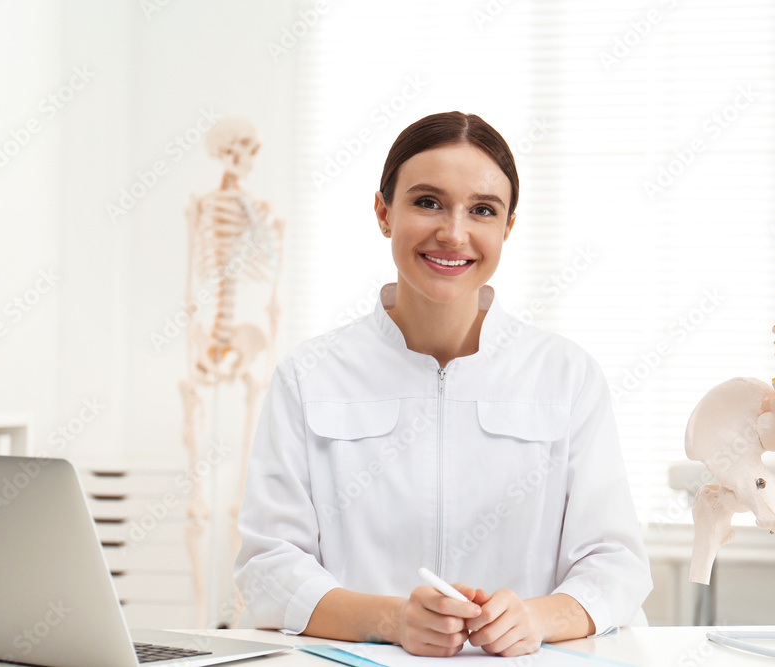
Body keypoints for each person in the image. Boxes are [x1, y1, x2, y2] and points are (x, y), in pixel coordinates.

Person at [234, 111, 652, 657]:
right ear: (384, 212)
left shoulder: (566, 375)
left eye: (482, 210)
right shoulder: (309, 375)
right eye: (427, 202)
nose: (454, 233)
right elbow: (268, 568)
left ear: (508, 227)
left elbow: (615, 562)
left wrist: (536, 618)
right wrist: (391, 619)